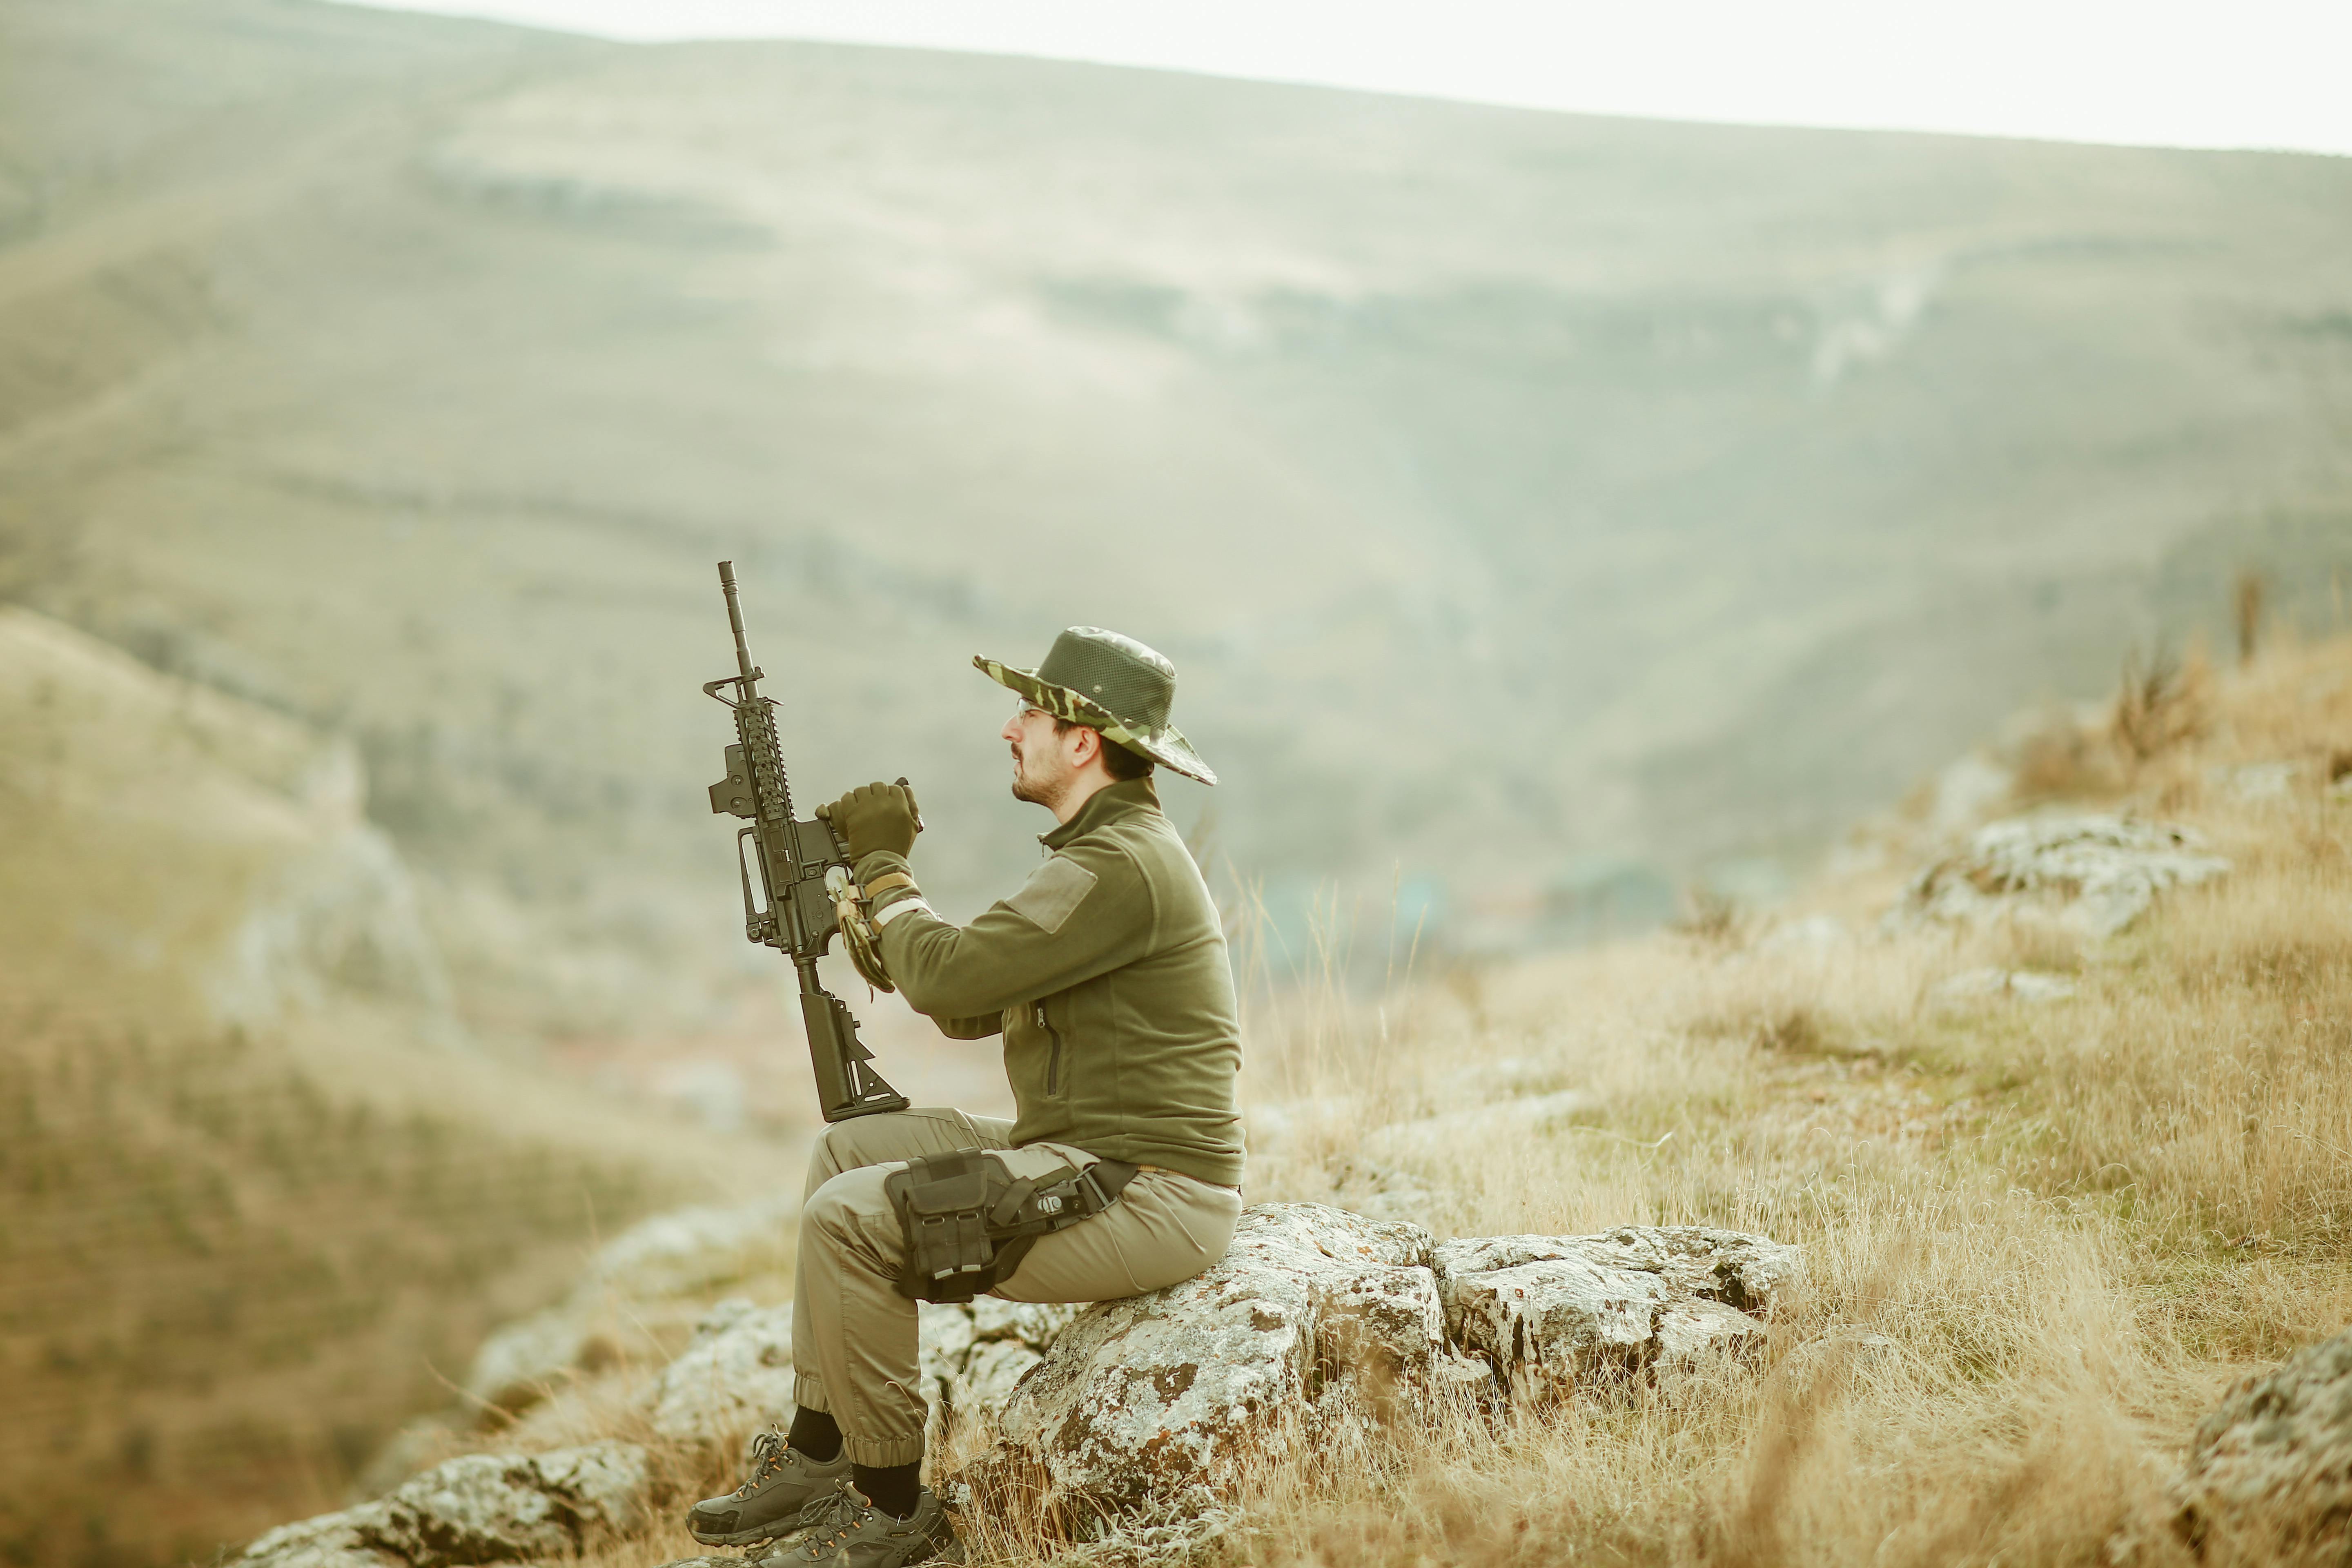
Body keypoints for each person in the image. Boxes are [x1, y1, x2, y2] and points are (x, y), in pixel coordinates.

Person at [684, 627, 1245, 1568]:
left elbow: (950, 982)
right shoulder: (1100, 851)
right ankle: (819, 1453)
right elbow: (971, 1004)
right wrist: (863, 898)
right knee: (847, 1156)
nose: (1008, 728)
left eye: (1029, 711)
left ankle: (897, 1506)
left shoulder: (1119, 867)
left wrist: (883, 869)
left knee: (847, 1218)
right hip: (1094, 1156)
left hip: (1147, 1189)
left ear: (1084, 742)